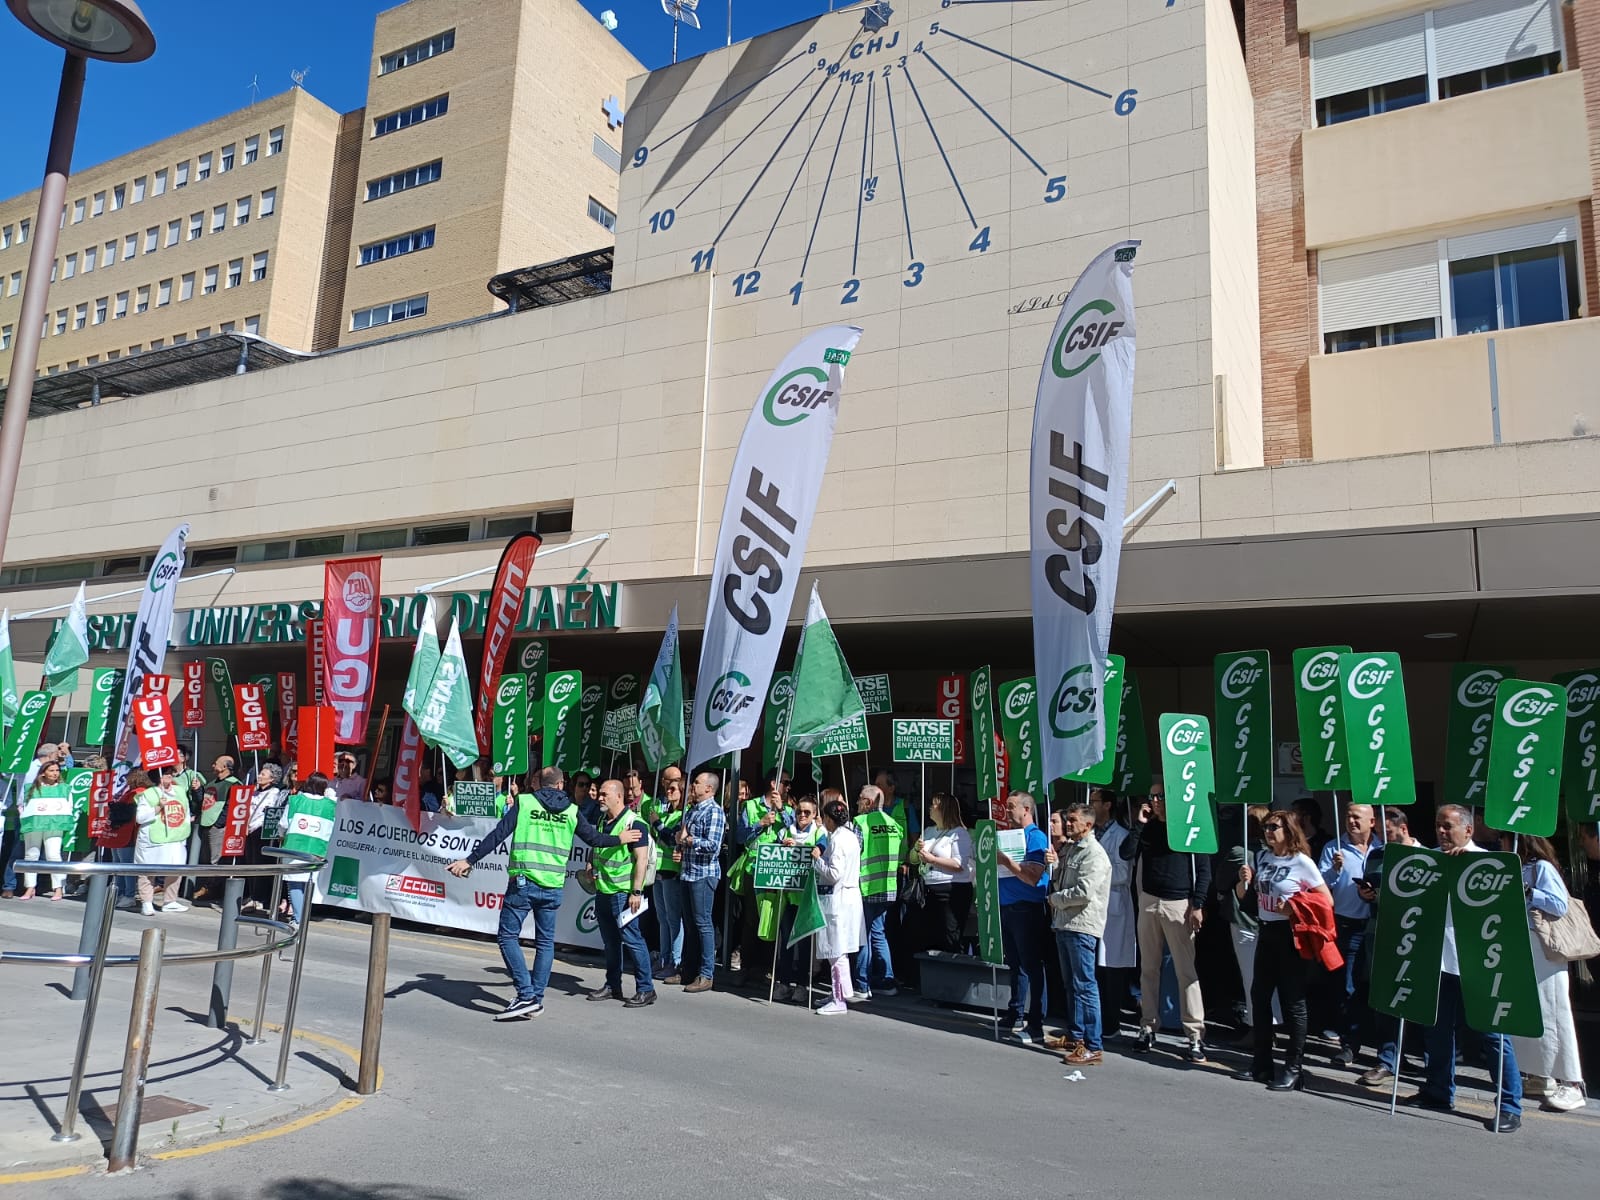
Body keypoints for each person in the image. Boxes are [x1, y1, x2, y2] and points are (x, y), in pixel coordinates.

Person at [447, 767, 641, 1019]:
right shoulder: (572, 810)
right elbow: (594, 839)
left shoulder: (525, 802)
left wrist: (470, 860)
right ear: (561, 785)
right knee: (545, 942)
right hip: (552, 885)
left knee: (507, 937)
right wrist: (620, 839)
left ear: (539, 783)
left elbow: (498, 835)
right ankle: (535, 998)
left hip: (524, 883)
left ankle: (527, 995)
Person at [1403, 805, 1523, 1132]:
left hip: (1480, 962)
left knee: (1493, 1034)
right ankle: (1439, 1091)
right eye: (1438, 826)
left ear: (1467, 831)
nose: (1441, 832)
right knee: (1437, 1031)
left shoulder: (1487, 863)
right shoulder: (1430, 861)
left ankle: (1510, 1105)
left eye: (1448, 827)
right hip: (1439, 960)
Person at [1233, 811, 1332, 1091]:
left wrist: (1294, 908)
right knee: (1259, 998)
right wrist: (1244, 882)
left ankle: (1293, 1067)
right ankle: (1261, 1064)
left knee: (1293, 1002)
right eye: (1265, 827)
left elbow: (1326, 900)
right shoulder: (1263, 858)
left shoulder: (1302, 862)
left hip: (1290, 935)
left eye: (1274, 827)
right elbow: (1247, 898)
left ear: (1288, 830)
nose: (1268, 832)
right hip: (1265, 930)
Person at [1122, 790, 1211, 1061]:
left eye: (1160, 797)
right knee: (1149, 969)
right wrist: (1139, 824)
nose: (1155, 801)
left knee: (1186, 972)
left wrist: (1197, 905)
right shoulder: (1147, 828)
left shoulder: (1189, 827)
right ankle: (1147, 1027)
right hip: (1150, 900)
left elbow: (1204, 869)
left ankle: (1194, 1034)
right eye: (1152, 797)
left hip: (1179, 903)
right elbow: (1126, 852)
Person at [1509, 835, 1587, 1112]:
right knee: (1531, 1012)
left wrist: (1529, 892)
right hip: (1524, 947)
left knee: (1554, 1012)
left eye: (1504, 839)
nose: (1501, 844)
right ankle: (1541, 1075)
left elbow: (1559, 904)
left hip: (1543, 950)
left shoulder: (1541, 867)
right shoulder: (1517, 867)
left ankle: (1572, 1083)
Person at [1355, 808, 1423, 1087]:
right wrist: (1366, 893)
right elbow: (1369, 891)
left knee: (1418, 998)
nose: (1383, 837)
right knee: (1384, 998)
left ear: (1403, 828)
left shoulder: (1425, 856)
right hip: (1380, 931)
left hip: (1415, 936)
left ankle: (1425, 1057)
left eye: (1388, 832)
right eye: (1380, 833)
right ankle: (1388, 1058)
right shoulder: (1376, 855)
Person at [1045, 802, 1111, 1066]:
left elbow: (1083, 892)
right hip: (1064, 923)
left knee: (1085, 985)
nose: (1068, 824)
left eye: (1072, 820)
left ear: (1088, 824)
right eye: (1067, 819)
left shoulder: (1094, 854)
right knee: (1071, 984)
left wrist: (1056, 900)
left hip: (1081, 925)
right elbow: (1061, 879)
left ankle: (1093, 1045)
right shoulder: (1072, 849)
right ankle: (1076, 1034)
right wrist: (1056, 862)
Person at [584, 780, 657, 1008]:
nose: (600, 798)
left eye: (605, 794)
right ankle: (612, 985)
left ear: (619, 796)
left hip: (623, 893)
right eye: (600, 794)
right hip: (603, 890)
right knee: (610, 942)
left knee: (632, 939)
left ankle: (646, 989)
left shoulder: (634, 823)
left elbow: (641, 859)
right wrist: (590, 866)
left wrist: (636, 891)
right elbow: (597, 848)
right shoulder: (602, 820)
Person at [1318, 803, 1380, 1066]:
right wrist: (1334, 870)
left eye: (1357, 817)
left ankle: (1387, 1051)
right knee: (1349, 986)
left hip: (1378, 925)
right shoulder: (1334, 848)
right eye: (1348, 816)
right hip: (1348, 925)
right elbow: (1320, 885)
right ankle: (1349, 1044)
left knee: (1377, 987)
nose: (1351, 821)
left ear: (1372, 822)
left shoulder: (1384, 846)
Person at [996, 791, 1050, 1043]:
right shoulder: (1008, 835)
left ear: (1026, 809)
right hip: (1006, 905)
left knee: (1031, 965)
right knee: (1015, 964)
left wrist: (1006, 862)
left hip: (1026, 907)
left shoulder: (1036, 837)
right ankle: (1015, 1010)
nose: (1007, 811)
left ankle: (1037, 1022)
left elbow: (1032, 876)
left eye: (1012, 807)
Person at [1217, 804, 1271, 1046]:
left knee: (1251, 978)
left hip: (1245, 922)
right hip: (1268, 921)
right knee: (1268, 979)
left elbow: (1220, 881)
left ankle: (1257, 1030)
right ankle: (1269, 1027)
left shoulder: (1240, 853)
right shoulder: (1273, 853)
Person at [813, 796, 865, 1014]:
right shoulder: (851, 835)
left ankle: (839, 999)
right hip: (851, 896)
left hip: (840, 898)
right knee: (840, 949)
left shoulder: (836, 840)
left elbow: (834, 873)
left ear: (828, 818)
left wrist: (817, 859)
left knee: (836, 950)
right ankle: (838, 992)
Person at [852, 784, 904, 1000]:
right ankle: (887, 980)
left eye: (860, 798)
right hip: (888, 887)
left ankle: (862, 984)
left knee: (863, 935)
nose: (857, 802)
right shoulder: (893, 824)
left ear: (869, 802)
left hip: (866, 886)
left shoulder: (861, 823)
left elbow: (853, 853)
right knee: (879, 934)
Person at [676, 770, 725, 994]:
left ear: (709, 789)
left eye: (696, 783)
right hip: (687, 872)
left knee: (703, 923)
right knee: (690, 924)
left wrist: (688, 840)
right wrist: (680, 844)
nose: (692, 786)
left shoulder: (714, 811)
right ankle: (688, 969)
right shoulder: (692, 810)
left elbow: (712, 846)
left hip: (703, 874)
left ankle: (706, 974)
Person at [775, 794, 827, 1001]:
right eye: (799, 812)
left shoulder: (820, 832)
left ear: (815, 815)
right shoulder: (786, 831)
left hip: (807, 897)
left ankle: (802, 985)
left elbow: (820, 850)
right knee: (786, 942)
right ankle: (784, 983)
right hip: (788, 895)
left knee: (804, 946)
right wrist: (782, 846)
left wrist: (801, 849)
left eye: (807, 812)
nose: (802, 815)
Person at [1092, 790, 1137, 1026]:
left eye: (1094, 802)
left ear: (1107, 805)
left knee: (1111, 966)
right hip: (1093, 906)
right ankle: (1097, 1019)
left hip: (1113, 902)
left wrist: (1094, 872)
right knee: (1095, 968)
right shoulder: (1090, 833)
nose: (1090, 806)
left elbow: (1122, 872)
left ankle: (1112, 1021)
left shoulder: (1120, 835)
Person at [916, 792, 973, 953]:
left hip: (952, 889)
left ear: (943, 809)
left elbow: (959, 863)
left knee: (950, 934)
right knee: (930, 936)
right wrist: (916, 850)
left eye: (933, 805)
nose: (930, 808)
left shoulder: (959, 833)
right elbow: (914, 858)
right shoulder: (928, 830)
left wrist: (932, 859)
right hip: (930, 888)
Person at [278, 772, 336, 929]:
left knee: (295, 883)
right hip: (317, 849)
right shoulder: (330, 805)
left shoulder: (296, 800)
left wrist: (281, 835)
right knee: (308, 884)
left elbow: (283, 824)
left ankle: (298, 918)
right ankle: (301, 915)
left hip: (294, 847)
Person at [135, 763, 192, 915]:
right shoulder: (149, 794)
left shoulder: (180, 791)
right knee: (148, 871)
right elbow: (140, 818)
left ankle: (170, 901)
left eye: (170, 772)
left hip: (175, 838)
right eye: (165, 773)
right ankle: (147, 902)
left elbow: (186, 811)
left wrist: (184, 830)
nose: (169, 775)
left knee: (176, 870)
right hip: (153, 839)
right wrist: (158, 807)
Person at [648, 774, 687, 982]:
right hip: (659, 869)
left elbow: (672, 838)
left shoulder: (683, 815)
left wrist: (656, 824)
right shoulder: (667, 813)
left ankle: (676, 961)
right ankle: (663, 958)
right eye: (668, 789)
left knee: (674, 920)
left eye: (673, 789)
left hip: (673, 870)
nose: (669, 792)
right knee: (662, 919)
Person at [17, 759, 72, 900]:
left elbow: (69, 807)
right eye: (51, 770)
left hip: (54, 824)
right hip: (34, 824)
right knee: (31, 855)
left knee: (53, 855)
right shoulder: (31, 787)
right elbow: (22, 805)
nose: (55, 773)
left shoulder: (64, 788)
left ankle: (58, 888)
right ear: (43, 773)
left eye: (57, 770)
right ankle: (30, 887)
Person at [193, 754, 240, 902]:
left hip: (217, 826)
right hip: (206, 822)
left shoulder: (233, 784)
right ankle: (208, 886)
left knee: (216, 860)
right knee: (207, 859)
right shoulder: (213, 782)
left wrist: (219, 823)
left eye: (216, 763)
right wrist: (198, 790)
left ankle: (212, 890)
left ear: (225, 767)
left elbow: (231, 806)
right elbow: (203, 801)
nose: (213, 765)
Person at [243, 763, 287, 911]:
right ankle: (253, 894)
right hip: (249, 830)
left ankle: (261, 898)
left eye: (263, 774)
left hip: (261, 831)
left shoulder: (275, 793)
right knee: (250, 864)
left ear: (272, 779)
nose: (259, 776)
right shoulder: (254, 791)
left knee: (260, 864)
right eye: (260, 773)